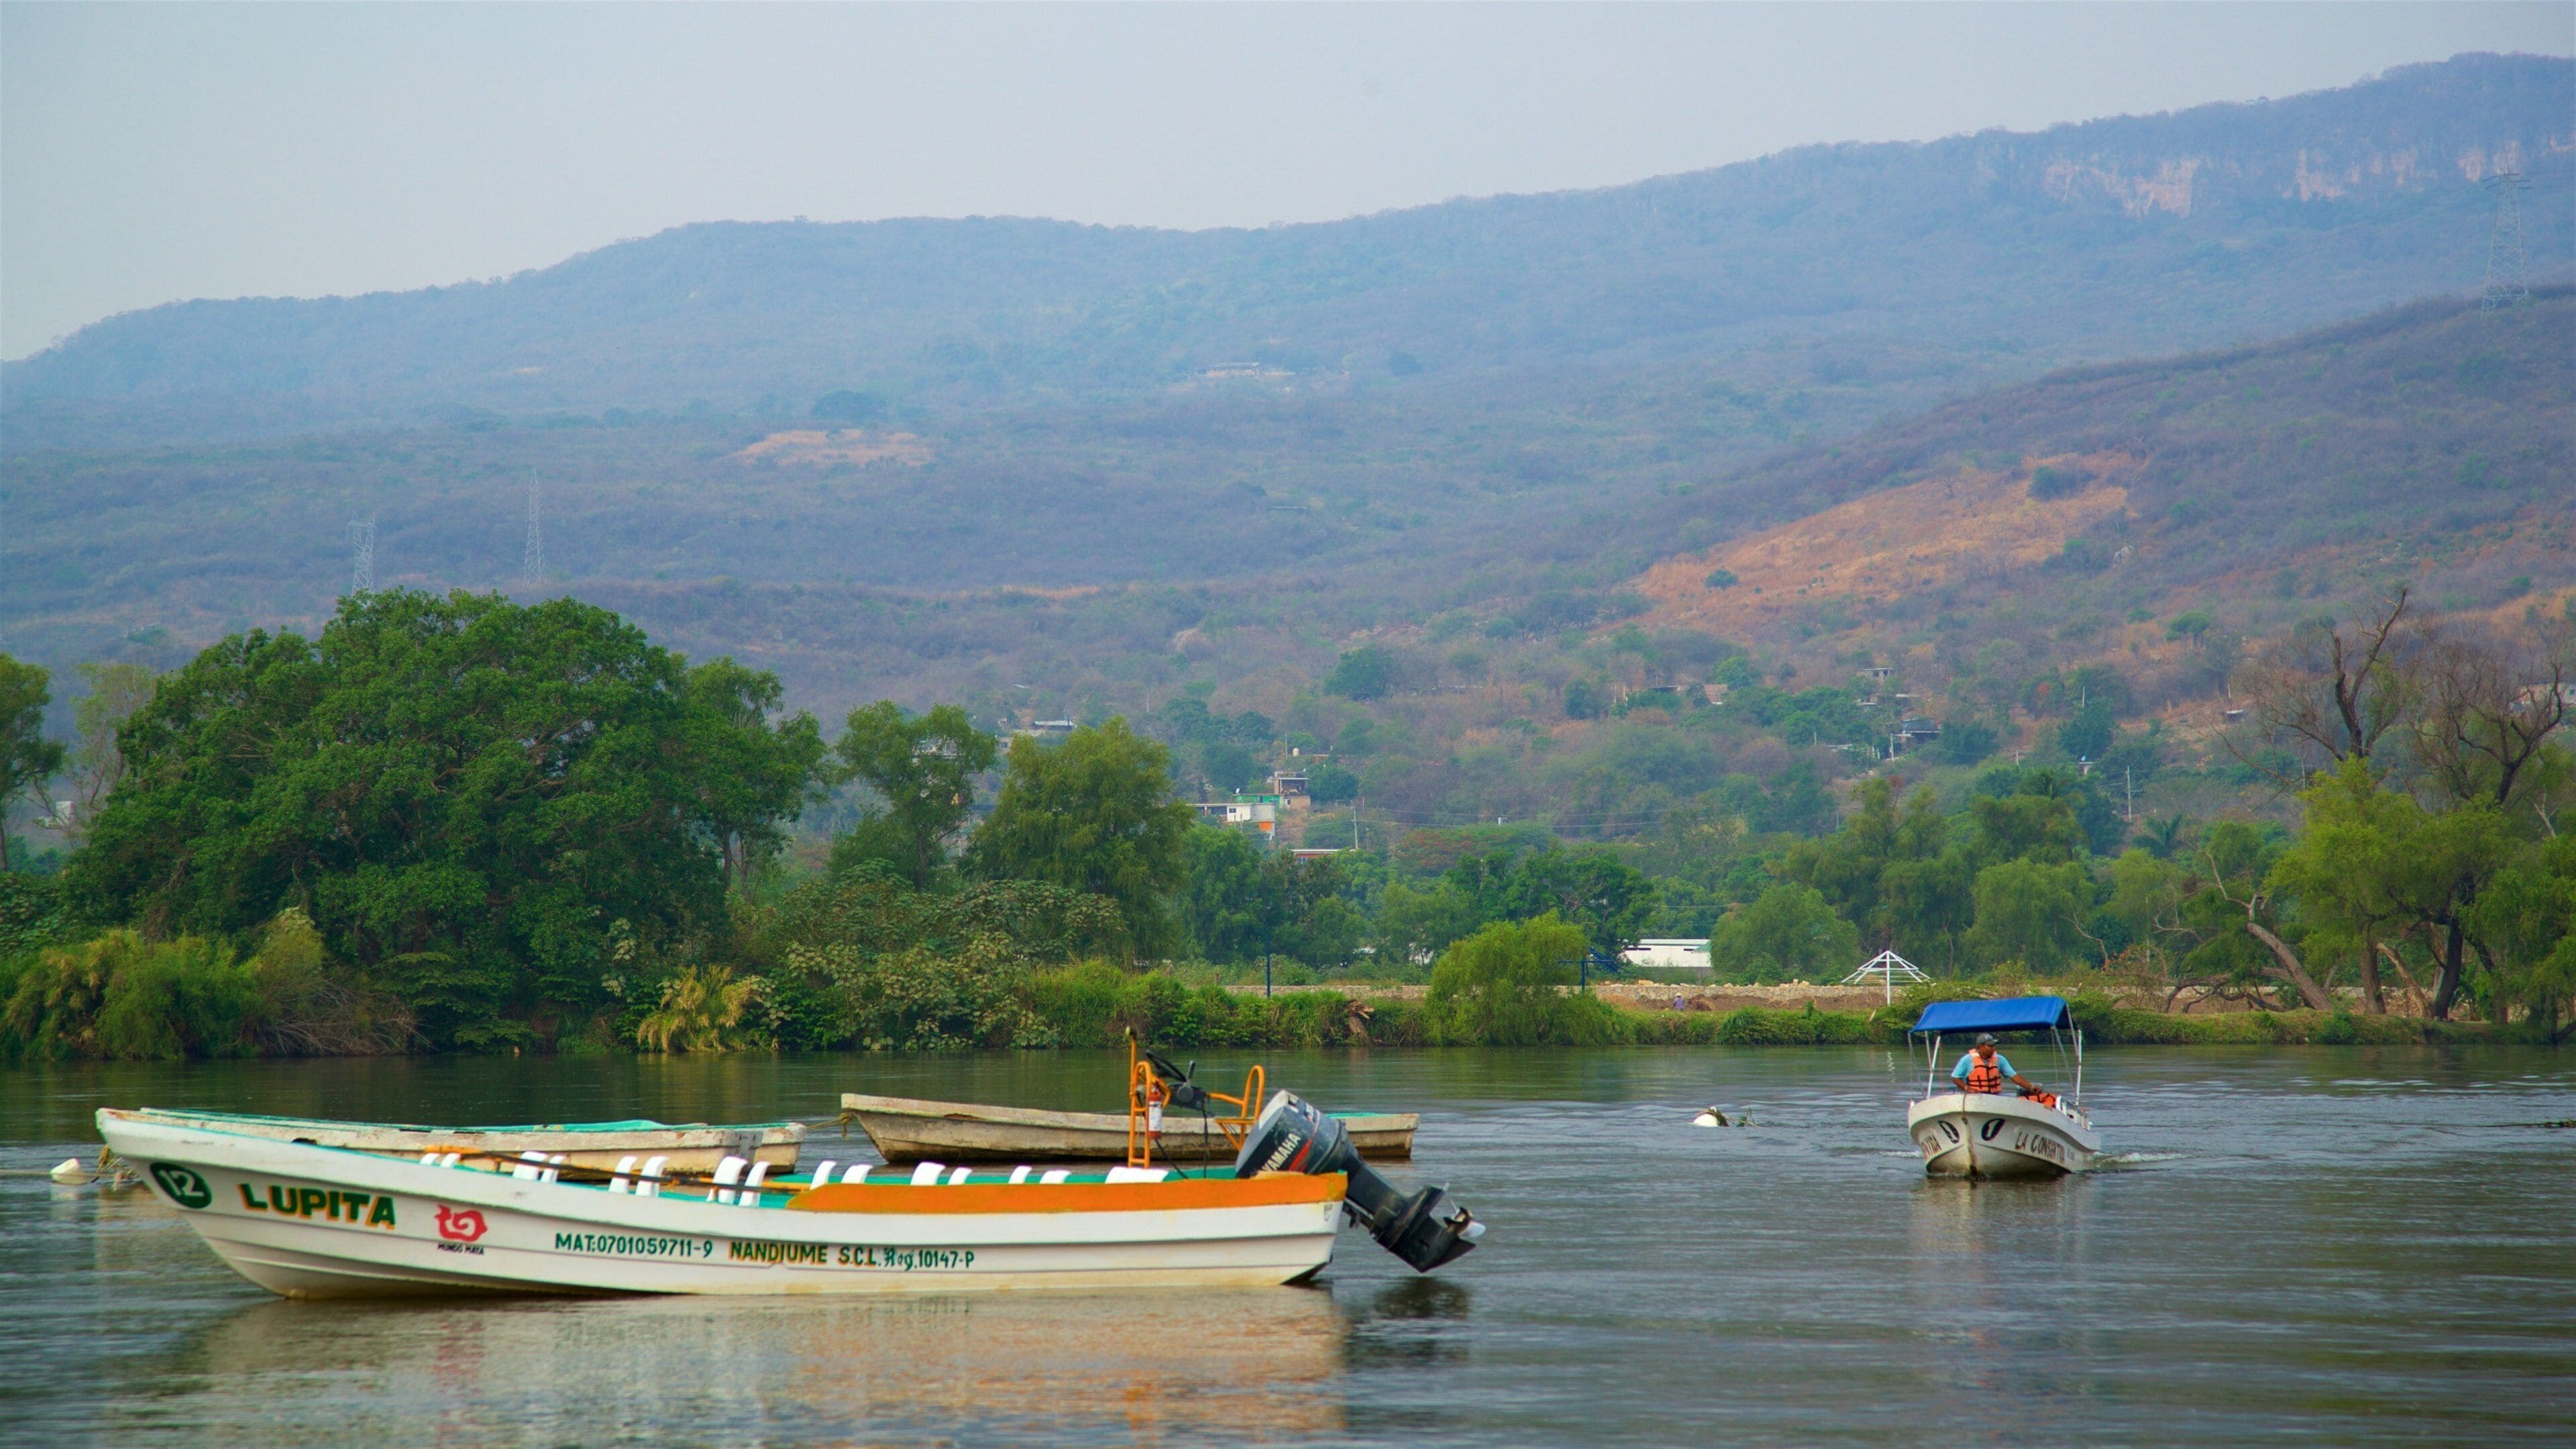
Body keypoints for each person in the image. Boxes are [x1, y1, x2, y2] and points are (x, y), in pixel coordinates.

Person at [1951, 1034, 2039, 1096]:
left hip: (1995, 1096)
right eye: (1990, 1046)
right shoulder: (1967, 1060)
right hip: (1974, 1097)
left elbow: (2014, 1076)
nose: (1993, 1048)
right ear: (1981, 1046)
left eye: (1994, 1045)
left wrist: (2031, 1088)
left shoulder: (2000, 1060)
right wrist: (1967, 1088)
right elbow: (1955, 1077)